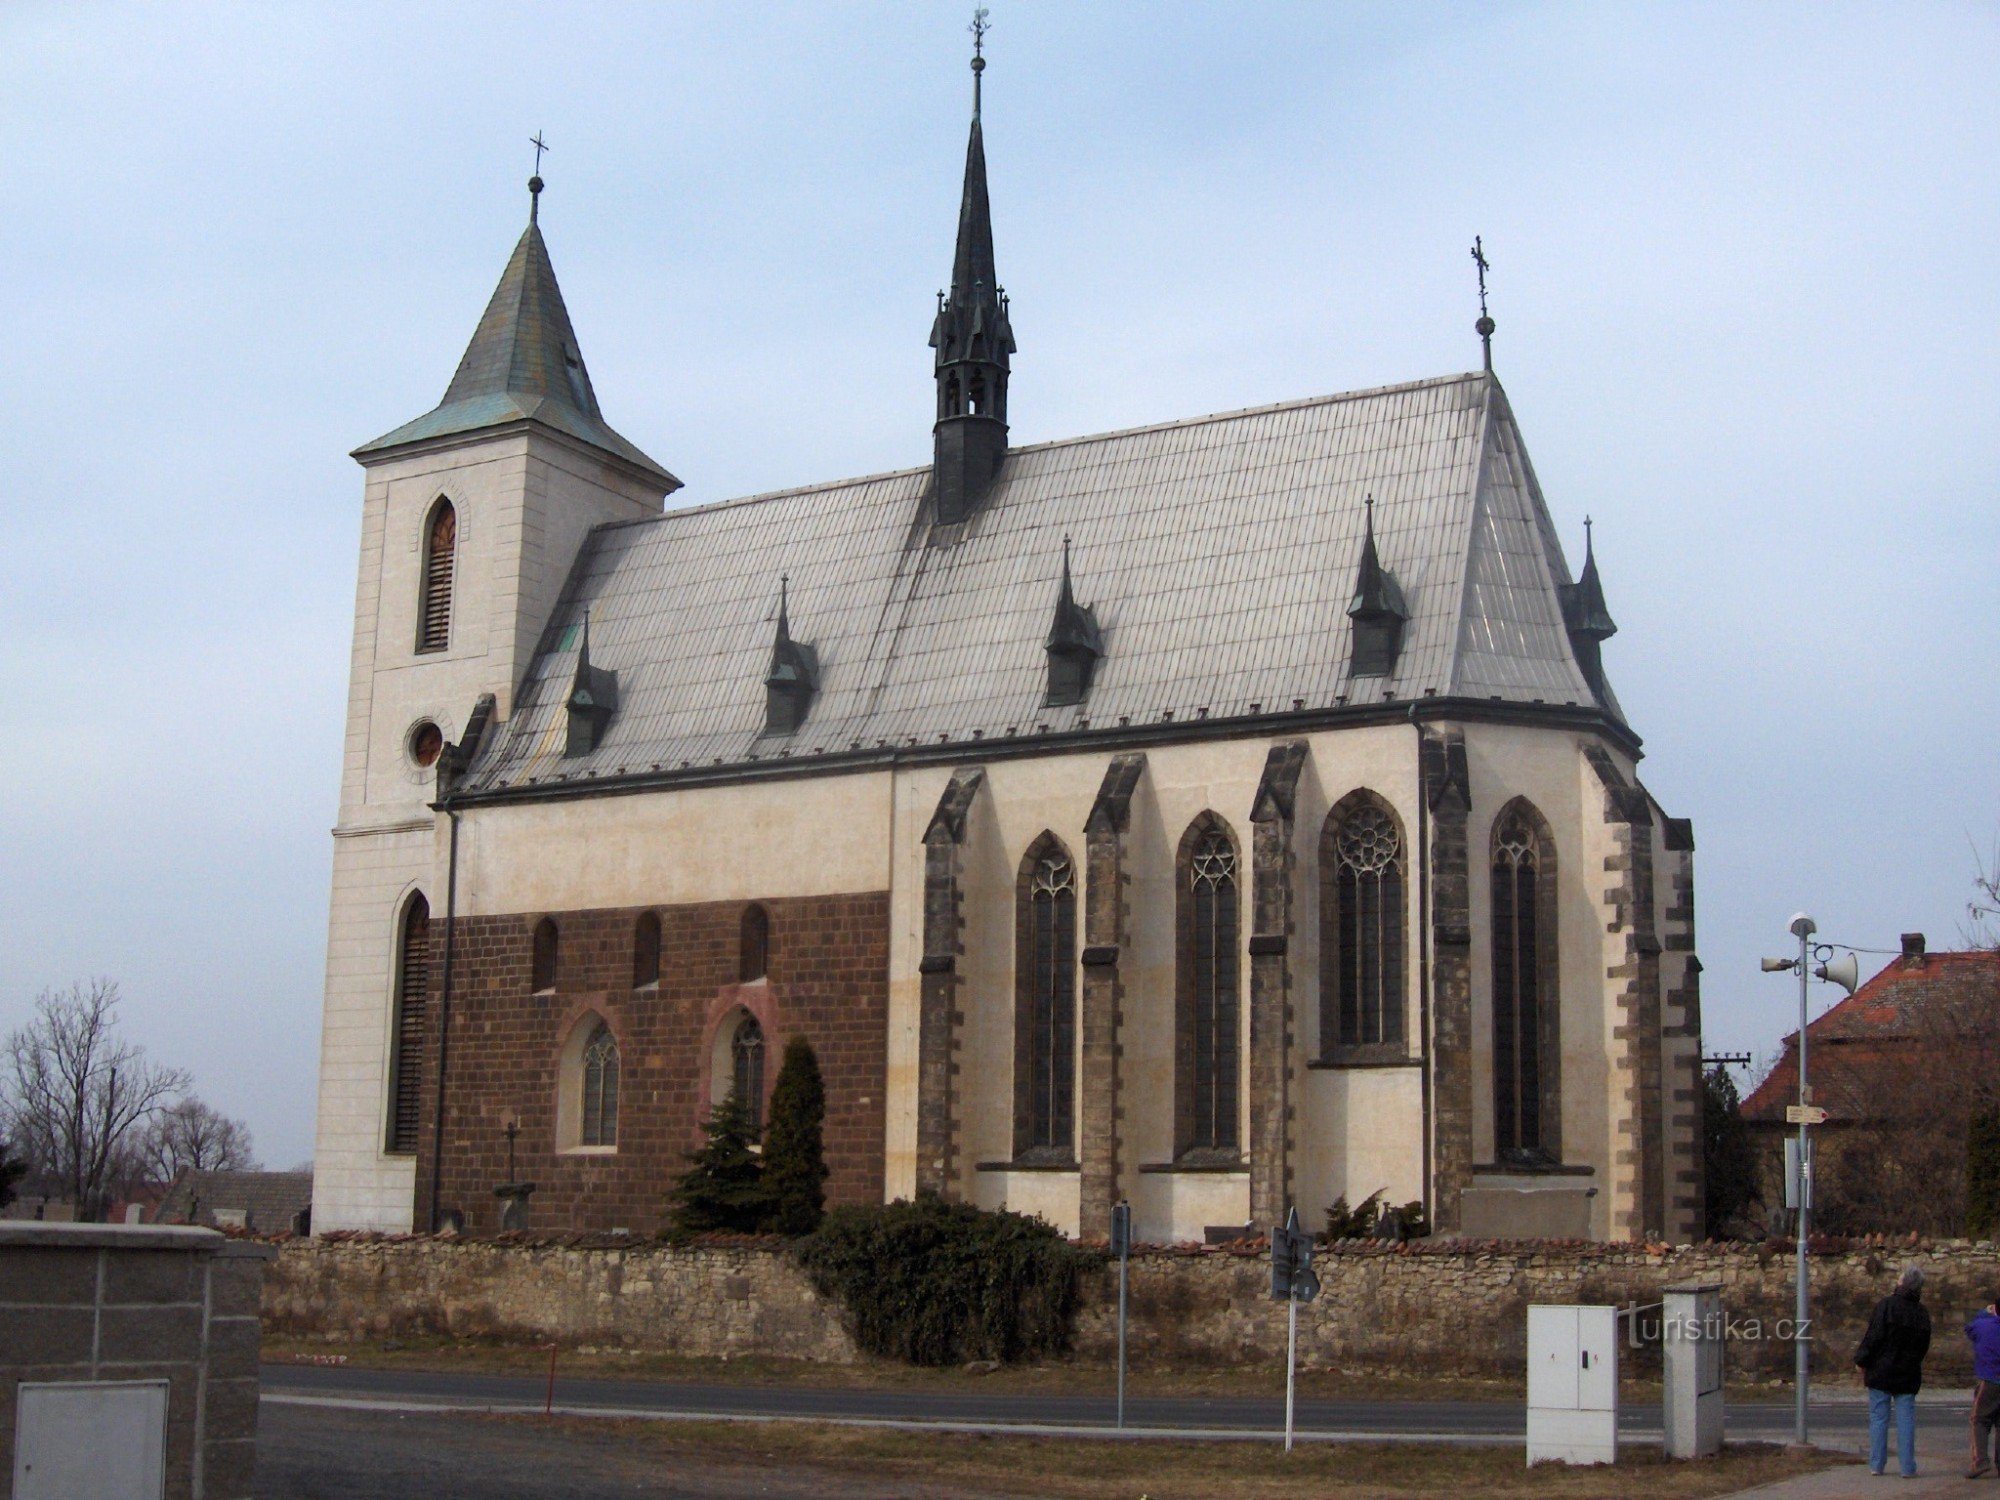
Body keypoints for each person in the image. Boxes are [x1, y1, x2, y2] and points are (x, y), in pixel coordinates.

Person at [1854, 1265, 1932, 1478]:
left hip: (1881, 1370)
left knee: (1879, 1418)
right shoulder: (1922, 1313)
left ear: (1902, 1283)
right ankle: (1907, 1467)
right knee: (1906, 1419)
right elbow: (1923, 1345)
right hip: (1908, 1372)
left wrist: (1862, 1360)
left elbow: (1874, 1337)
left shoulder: (1886, 1306)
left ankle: (1877, 1465)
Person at [1966, 1296, 2000, 1478]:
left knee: (1979, 1419)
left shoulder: (1984, 1325)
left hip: (1990, 1379)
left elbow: (1970, 1328)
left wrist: (1986, 1312)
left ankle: (1980, 1461)